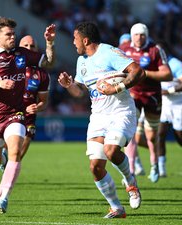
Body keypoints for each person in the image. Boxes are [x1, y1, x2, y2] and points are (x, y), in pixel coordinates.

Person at [58, 21, 145, 219]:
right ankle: (116, 208)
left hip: (121, 112)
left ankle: (131, 183)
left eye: (75, 38)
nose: (73, 42)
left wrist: (116, 88)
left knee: (111, 150)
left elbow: (138, 72)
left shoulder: (108, 52)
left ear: (85, 39)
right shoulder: (82, 61)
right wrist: (68, 85)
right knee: (95, 166)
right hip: (98, 116)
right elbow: (80, 92)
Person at [0, 17, 56, 214]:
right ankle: (3, 164)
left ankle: (4, 198)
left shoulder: (22, 54)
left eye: (13, 33)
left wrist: (50, 43)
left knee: (15, 152)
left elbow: (50, 63)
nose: (13, 37)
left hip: (15, 113)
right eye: (8, 34)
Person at [135, 41, 182, 177]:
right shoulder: (152, 63)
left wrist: (170, 90)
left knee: (181, 140)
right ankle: (161, 168)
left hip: (179, 104)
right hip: (163, 103)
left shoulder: (174, 63)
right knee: (160, 134)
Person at [120, 23, 172, 183]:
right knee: (130, 134)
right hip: (133, 95)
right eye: (136, 34)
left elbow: (167, 75)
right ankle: (131, 171)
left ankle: (154, 164)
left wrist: (145, 73)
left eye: (142, 34)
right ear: (131, 35)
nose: (139, 37)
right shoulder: (124, 49)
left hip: (152, 97)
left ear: (146, 35)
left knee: (151, 136)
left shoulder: (155, 50)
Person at [19, 35, 50, 160]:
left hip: (29, 116)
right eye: (25, 45)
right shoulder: (9, 66)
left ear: (37, 50)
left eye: (32, 46)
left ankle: (11, 165)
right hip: (8, 111)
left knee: (28, 134)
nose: (29, 48)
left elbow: (44, 102)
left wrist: (37, 107)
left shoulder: (41, 74)